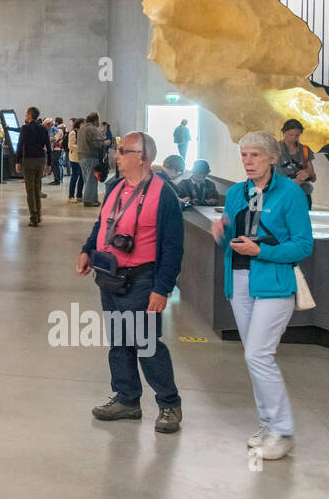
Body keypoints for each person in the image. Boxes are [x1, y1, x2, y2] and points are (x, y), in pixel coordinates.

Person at [210, 131, 313, 461]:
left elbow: (303, 244)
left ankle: (282, 431)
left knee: (258, 355)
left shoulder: (290, 194)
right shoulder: (236, 194)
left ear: (272, 158)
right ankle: (267, 424)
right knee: (254, 357)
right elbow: (232, 234)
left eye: (255, 155)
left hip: (274, 284)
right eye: (244, 155)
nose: (248, 161)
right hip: (239, 281)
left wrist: (261, 252)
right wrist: (223, 231)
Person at [75, 131, 185, 433]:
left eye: (123, 151)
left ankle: (169, 403)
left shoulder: (165, 195)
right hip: (109, 277)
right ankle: (127, 399)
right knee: (119, 343)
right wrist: (88, 250)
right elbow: (102, 224)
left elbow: (173, 248)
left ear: (143, 157)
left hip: (141, 280)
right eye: (118, 150)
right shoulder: (114, 187)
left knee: (147, 345)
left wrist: (162, 288)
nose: (116, 155)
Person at [15, 106, 51, 227]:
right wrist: (49, 163)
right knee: (36, 188)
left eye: (26, 114)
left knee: (30, 190)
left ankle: (34, 217)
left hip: (28, 160)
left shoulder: (25, 128)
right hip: (40, 160)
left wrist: (17, 161)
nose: (25, 116)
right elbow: (48, 146)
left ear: (30, 115)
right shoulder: (43, 129)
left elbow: (20, 145)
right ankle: (38, 214)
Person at [276, 119, 316, 207]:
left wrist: (307, 173)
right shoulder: (274, 149)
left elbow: (313, 176)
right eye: (290, 135)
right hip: (281, 194)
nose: (293, 138)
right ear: (284, 132)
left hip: (302, 194)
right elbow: (267, 172)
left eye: (297, 135)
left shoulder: (305, 150)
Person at [78, 112, 105, 207]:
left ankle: (94, 199)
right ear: (96, 120)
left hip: (81, 157)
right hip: (91, 157)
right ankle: (89, 200)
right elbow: (97, 144)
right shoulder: (92, 129)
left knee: (88, 180)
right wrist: (104, 142)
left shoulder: (81, 129)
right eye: (98, 120)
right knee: (92, 180)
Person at [68, 117, 86, 204]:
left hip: (82, 158)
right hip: (74, 158)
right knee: (74, 177)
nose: (85, 125)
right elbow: (71, 145)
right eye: (83, 123)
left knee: (82, 177)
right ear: (79, 124)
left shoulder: (83, 133)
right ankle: (71, 196)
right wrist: (82, 148)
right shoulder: (73, 133)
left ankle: (79, 195)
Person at [50, 118, 68, 185]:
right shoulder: (64, 128)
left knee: (55, 165)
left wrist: (48, 138)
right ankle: (60, 179)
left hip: (57, 149)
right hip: (60, 149)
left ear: (57, 122)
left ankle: (57, 180)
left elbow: (55, 139)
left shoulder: (59, 129)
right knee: (59, 165)